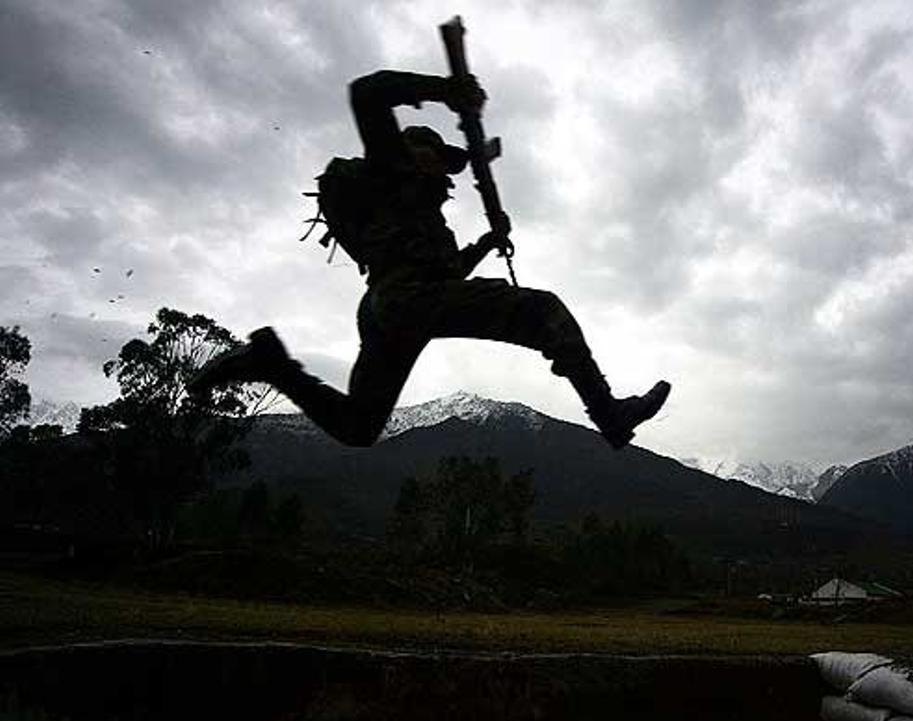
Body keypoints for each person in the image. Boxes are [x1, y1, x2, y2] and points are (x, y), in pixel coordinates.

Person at [189, 69, 670, 449]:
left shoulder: (426, 215)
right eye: (437, 154)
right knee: (543, 310)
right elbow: (367, 92)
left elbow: (447, 280)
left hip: (394, 308)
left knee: (359, 428)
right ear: (415, 151)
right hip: (403, 301)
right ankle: (610, 415)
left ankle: (275, 367)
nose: (444, 165)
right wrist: (446, 90)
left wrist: (486, 242)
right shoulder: (389, 165)